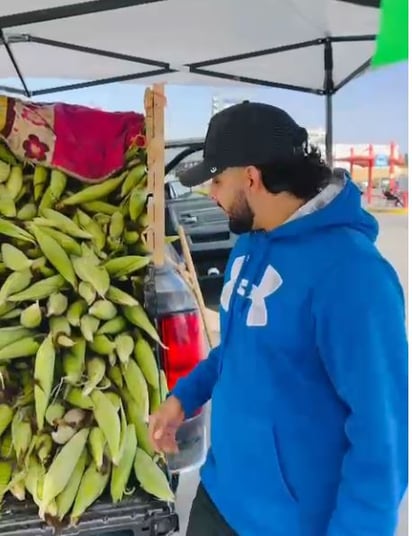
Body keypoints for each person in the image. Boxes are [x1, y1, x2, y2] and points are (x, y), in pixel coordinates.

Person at [148, 102, 408, 536]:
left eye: (217, 179)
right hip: (219, 496)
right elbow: (235, 348)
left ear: (251, 177)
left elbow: (382, 440)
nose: (209, 193)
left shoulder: (353, 275)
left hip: (289, 524)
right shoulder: (250, 244)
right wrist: (184, 396)